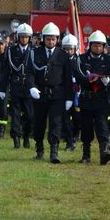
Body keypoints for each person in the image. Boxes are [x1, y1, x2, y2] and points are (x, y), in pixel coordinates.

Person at [26, 22, 73, 163]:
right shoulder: (34, 53)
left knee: (56, 123)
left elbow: (68, 78)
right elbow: (29, 73)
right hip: (40, 94)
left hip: (57, 95)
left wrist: (69, 97)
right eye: (48, 39)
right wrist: (31, 87)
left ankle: (54, 151)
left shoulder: (63, 55)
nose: (50, 41)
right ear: (43, 39)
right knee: (39, 123)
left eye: (53, 39)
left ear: (57, 39)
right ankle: (39, 148)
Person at [74, 30, 110, 165]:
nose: (97, 48)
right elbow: (80, 77)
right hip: (86, 98)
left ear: (104, 47)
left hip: (102, 99)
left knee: (102, 125)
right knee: (86, 126)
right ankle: (86, 154)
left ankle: (104, 152)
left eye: (100, 46)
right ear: (90, 45)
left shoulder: (109, 60)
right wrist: (95, 80)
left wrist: (108, 82)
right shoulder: (81, 59)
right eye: (95, 45)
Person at [6, 23, 34, 148]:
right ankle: (16, 139)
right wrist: (3, 89)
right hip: (16, 86)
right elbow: (7, 70)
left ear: (30, 38)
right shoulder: (11, 51)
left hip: (29, 87)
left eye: (26, 37)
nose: (24, 39)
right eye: (22, 37)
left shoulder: (34, 52)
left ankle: (26, 136)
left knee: (30, 115)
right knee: (15, 115)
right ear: (18, 37)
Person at [60, 34, 81, 151]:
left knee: (77, 117)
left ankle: (76, 134)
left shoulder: (79, 61)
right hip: (64, 93)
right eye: (66, 49)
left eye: (70, 49)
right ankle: (69, 141)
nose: (68, 51)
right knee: (65, 118)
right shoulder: (60, 61)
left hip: (77, 93)